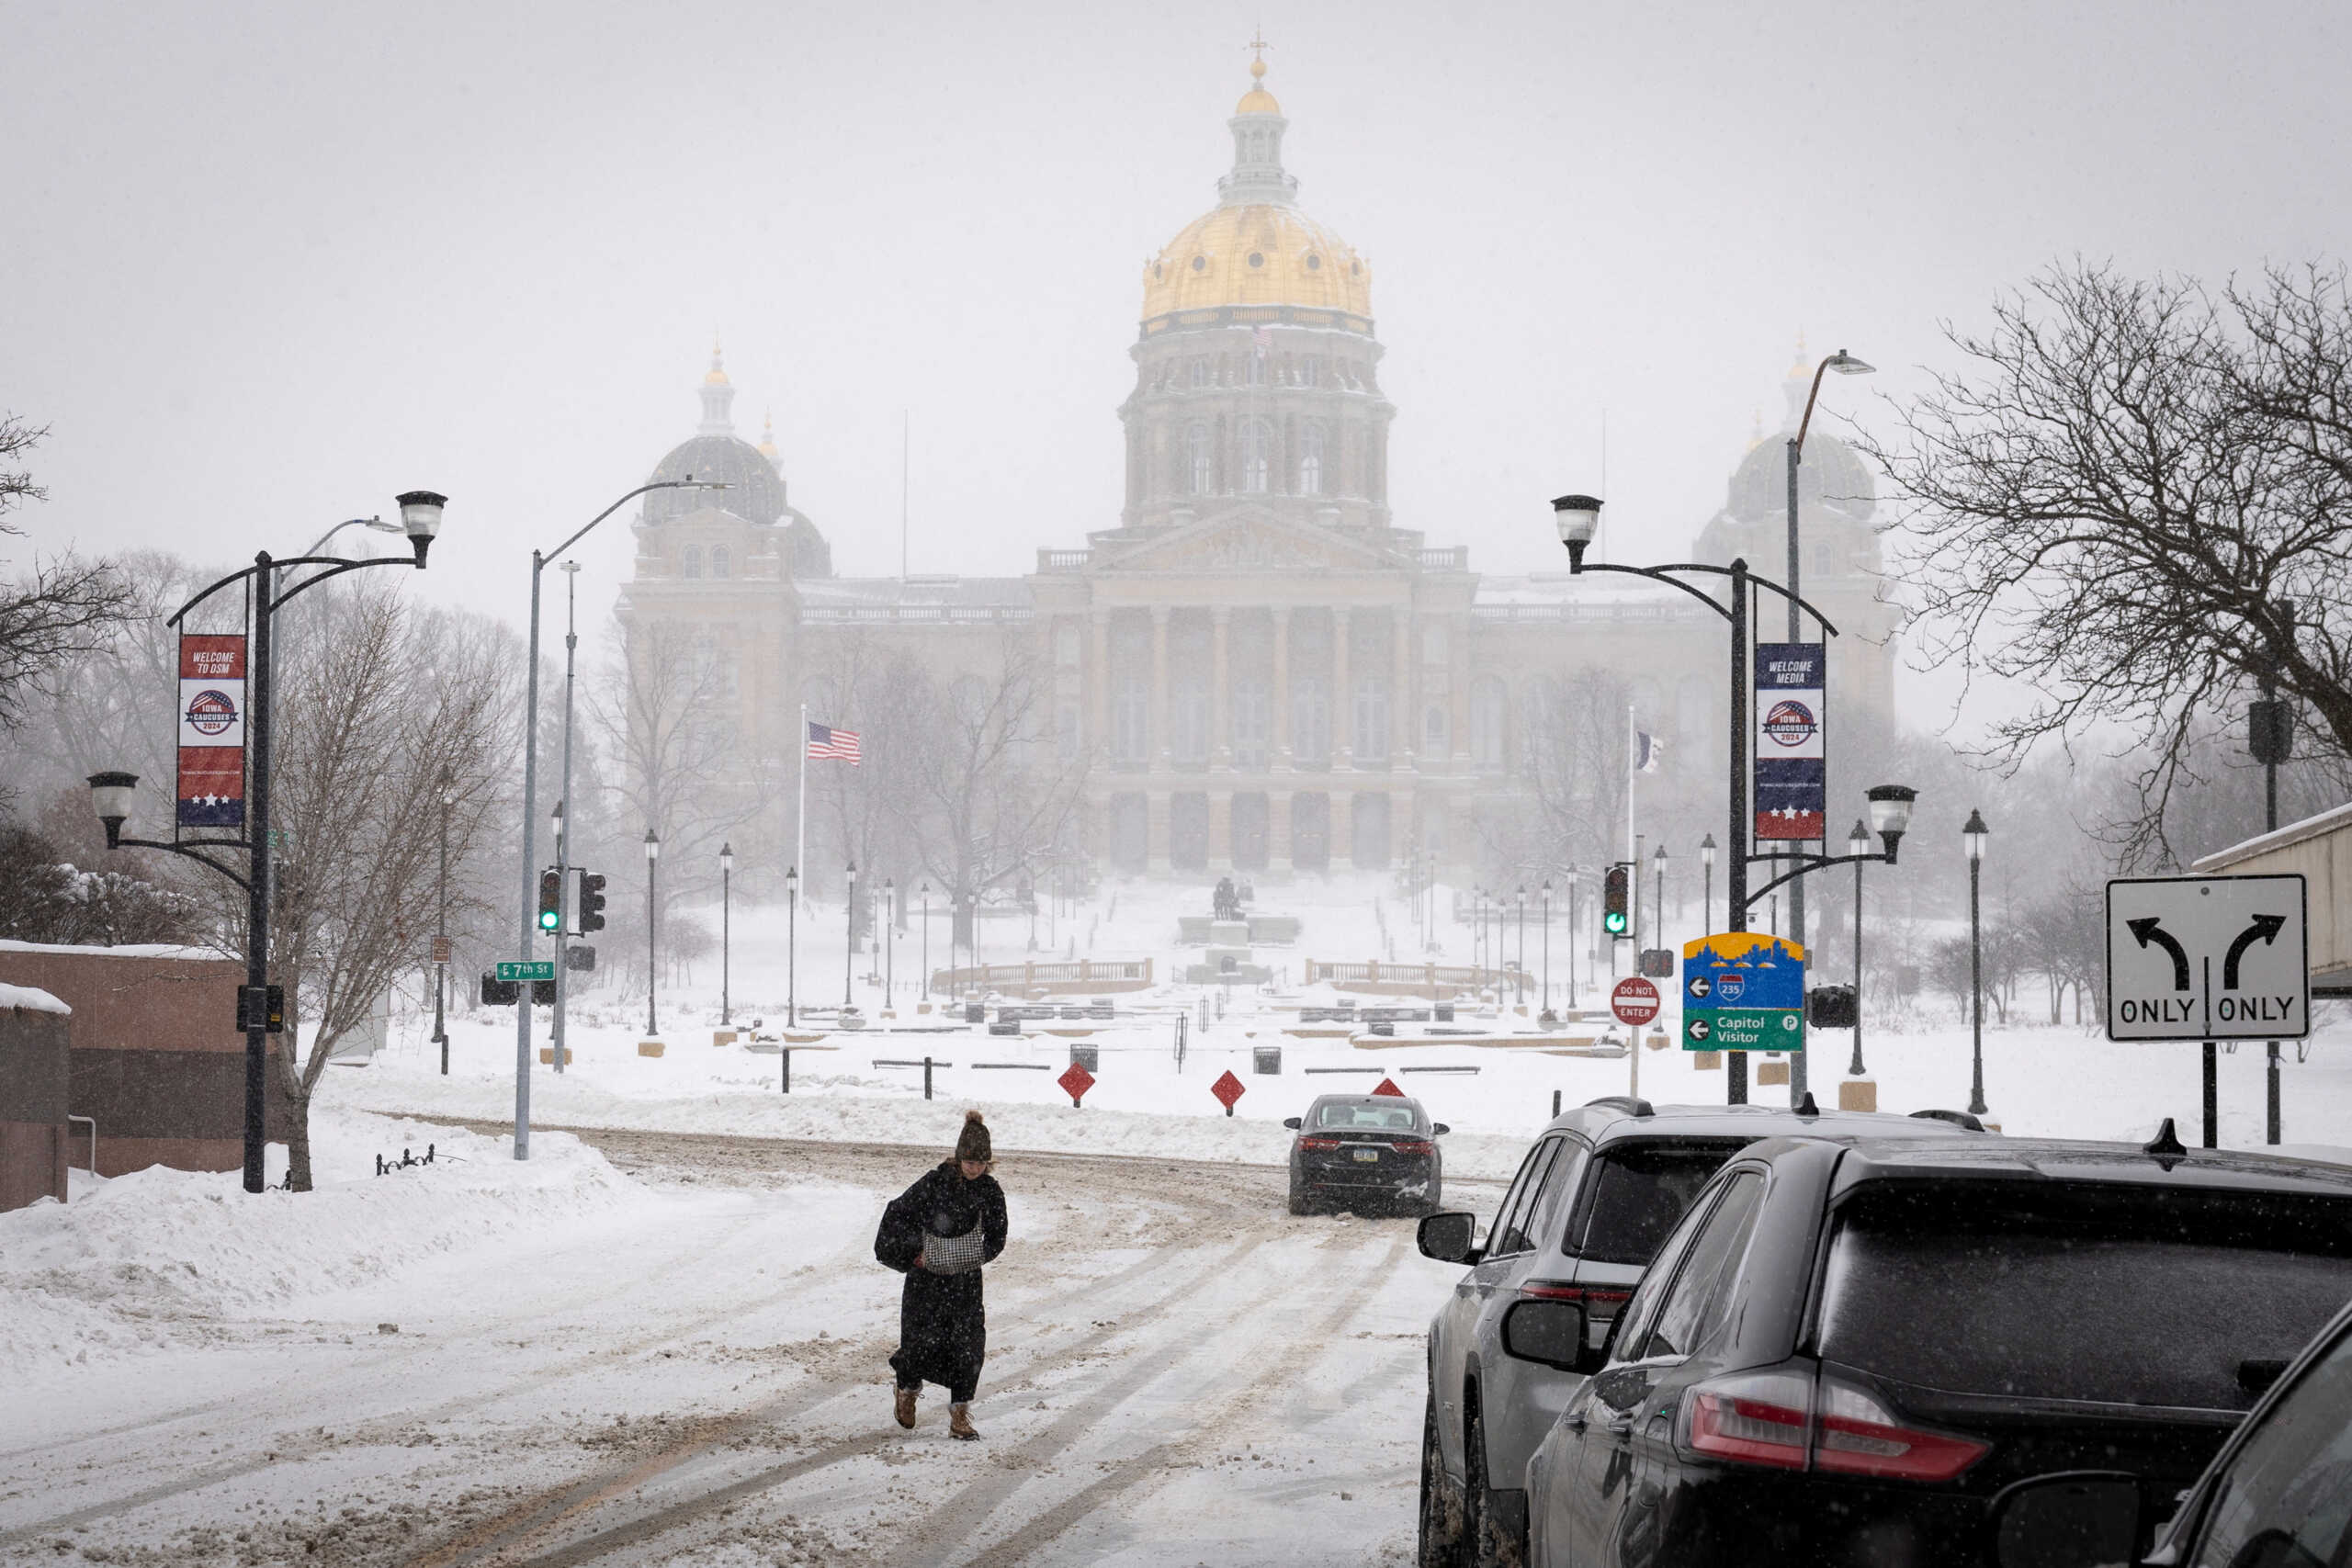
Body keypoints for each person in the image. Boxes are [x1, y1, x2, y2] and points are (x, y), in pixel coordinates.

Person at [875, 1110, 1008, 1438]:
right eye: (969, 1162)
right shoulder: (934, 1184)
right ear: (959, 1157)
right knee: (920, 1342)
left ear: (988, 1163)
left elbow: (997, 1235)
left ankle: (960, 1414)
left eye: (980, 1163)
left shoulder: (990, 1192)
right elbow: (897, 1215)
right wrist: (914, 1255)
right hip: (926, 1280)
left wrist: (974, 1256)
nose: (974, 1168)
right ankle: (906, 1392)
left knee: (968, 1346)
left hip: (964, 1283)